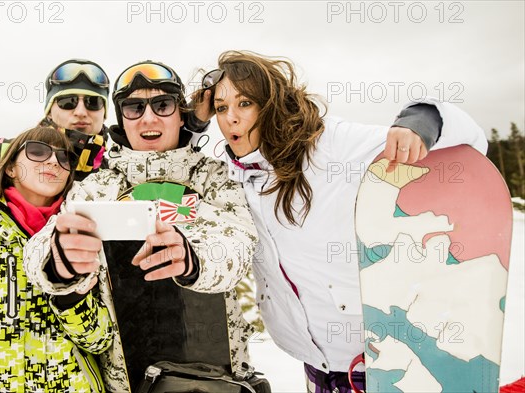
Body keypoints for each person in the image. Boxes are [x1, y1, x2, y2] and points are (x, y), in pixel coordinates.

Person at [195, 50, 488, 393]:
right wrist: (191, 124)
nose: (230, 118)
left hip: (380, 365)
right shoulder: (236, 173)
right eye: (220, 108)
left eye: (245, 103)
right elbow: (187, 173)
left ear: (271, 103)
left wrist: (420, 121)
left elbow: (469, 142)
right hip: (315, 364)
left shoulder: (331, 146)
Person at [22, 61, 259, 392]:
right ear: (122, 120)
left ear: (181, 114)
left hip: (215, 378)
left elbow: (238, 245)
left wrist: (193, 261)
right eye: (134, 108)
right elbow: (38, 249)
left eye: (162, 105)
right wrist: (59, 263)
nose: (149, 118)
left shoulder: (212, 177)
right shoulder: (97, 186)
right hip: (128, 382)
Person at [0, 125, 113, 392]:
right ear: (10, 168)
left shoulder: (82, 233)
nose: (52, 161)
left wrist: (70, 296)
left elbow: (100, 341)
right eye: (38, 151)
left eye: (64, 158)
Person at [0, 58, 211, 223]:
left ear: (106, 113)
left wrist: (192, 123)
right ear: (49, 110)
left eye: (93, 104)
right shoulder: (0, 155)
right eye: (68, 102)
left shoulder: (112, 167)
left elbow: (164, 168)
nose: (81, 112)